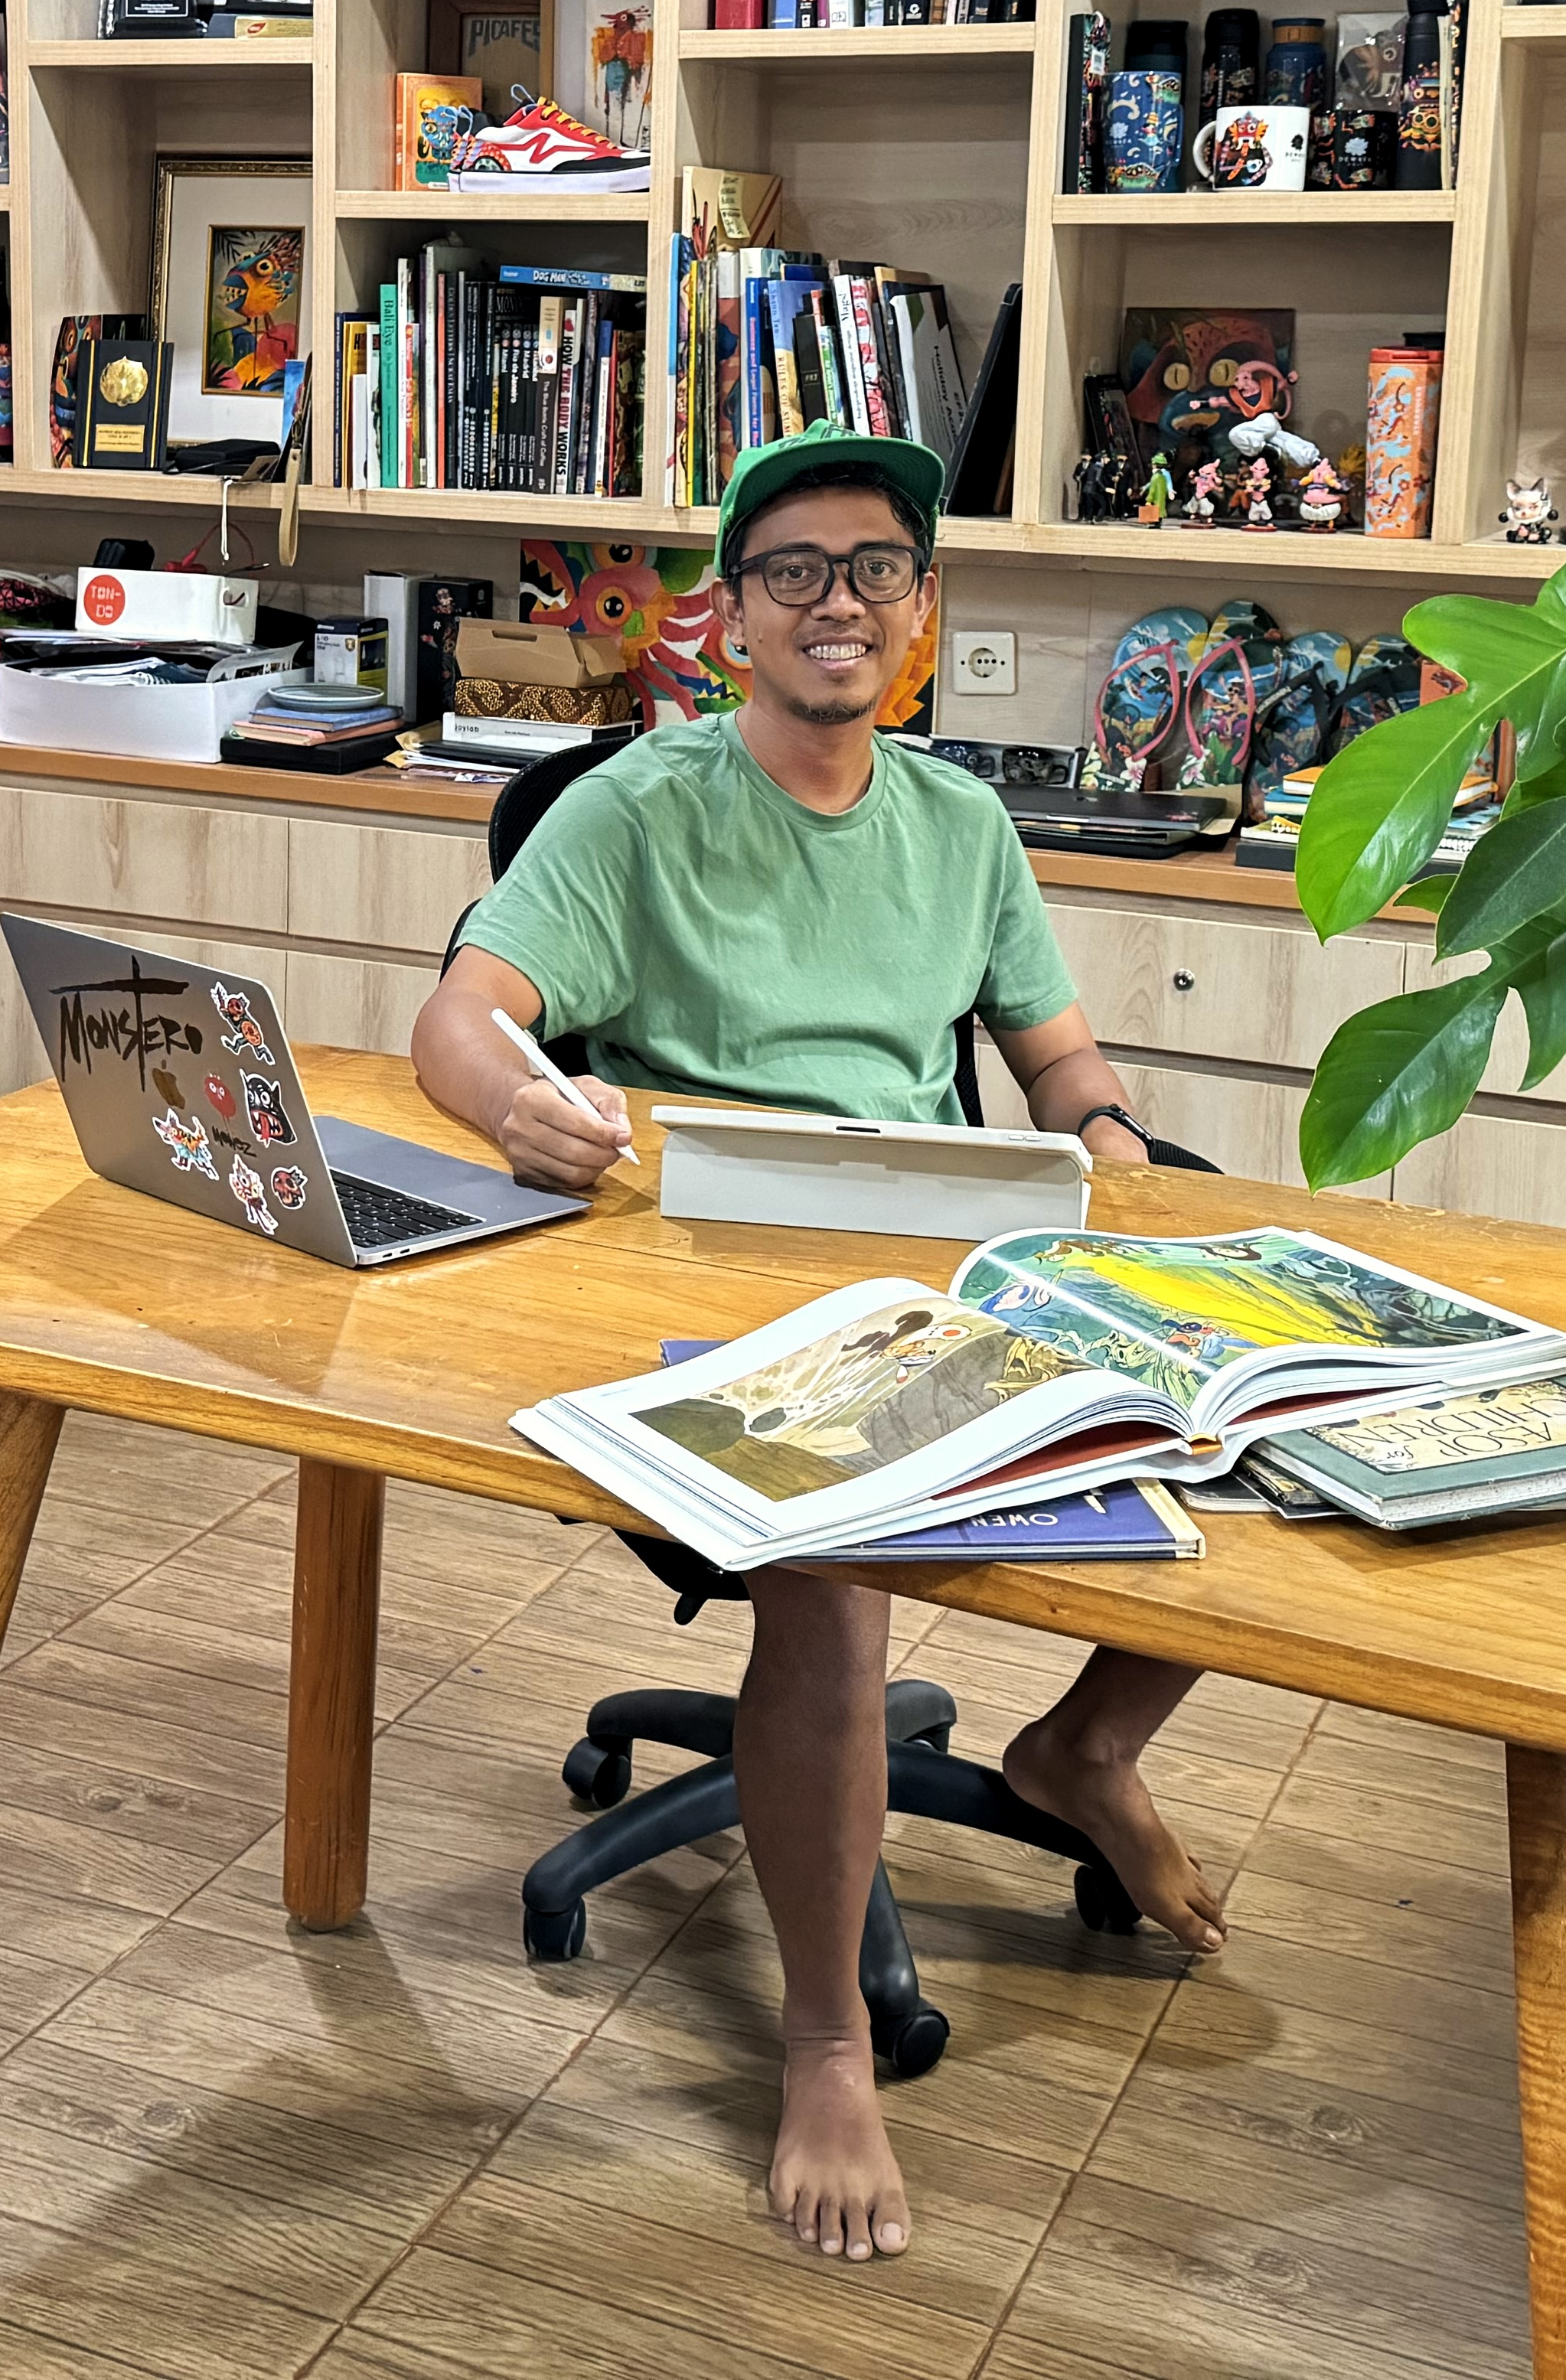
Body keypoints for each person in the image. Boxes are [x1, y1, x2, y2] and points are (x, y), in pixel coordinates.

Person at [412, 422, 1225, 2267]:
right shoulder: (637, 807)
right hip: (687, 1278)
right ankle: (825, 2038)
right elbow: (460, 1018)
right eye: (792, 571)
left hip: (926, 1262)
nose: (835, 603)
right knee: (840, 1568)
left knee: (1233, 1412)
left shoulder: (964, 826)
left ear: (923, 610)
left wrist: (1107, 1144)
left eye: (873, 570)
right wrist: (517, 1104)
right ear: (728, 614)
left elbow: (1057, 1055)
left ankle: (1083, 1749)